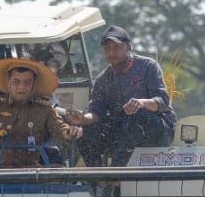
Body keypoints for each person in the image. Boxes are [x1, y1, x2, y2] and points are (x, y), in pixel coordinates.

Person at [67, 25, 176, 167]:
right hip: (123, 134)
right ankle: (98, 181)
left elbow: (162, 101)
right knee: (85, 131)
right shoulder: (103, 80)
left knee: (136, 115)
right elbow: (96, 112)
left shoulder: (148, 66)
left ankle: (115, 174)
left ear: (128, 46)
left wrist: (142, 103)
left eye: (117, 47)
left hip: (158, 130)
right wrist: (83, 118)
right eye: (107, 48)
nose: (111, 52)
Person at [0, 58, 81, 168]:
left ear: (34, 84)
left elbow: (60, 128)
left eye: (27, 82)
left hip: (30, 171)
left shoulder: (44, 108)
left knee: (59, 171)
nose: (21, 86)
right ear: (8, 83)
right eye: (16, 81)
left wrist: (69, 132)